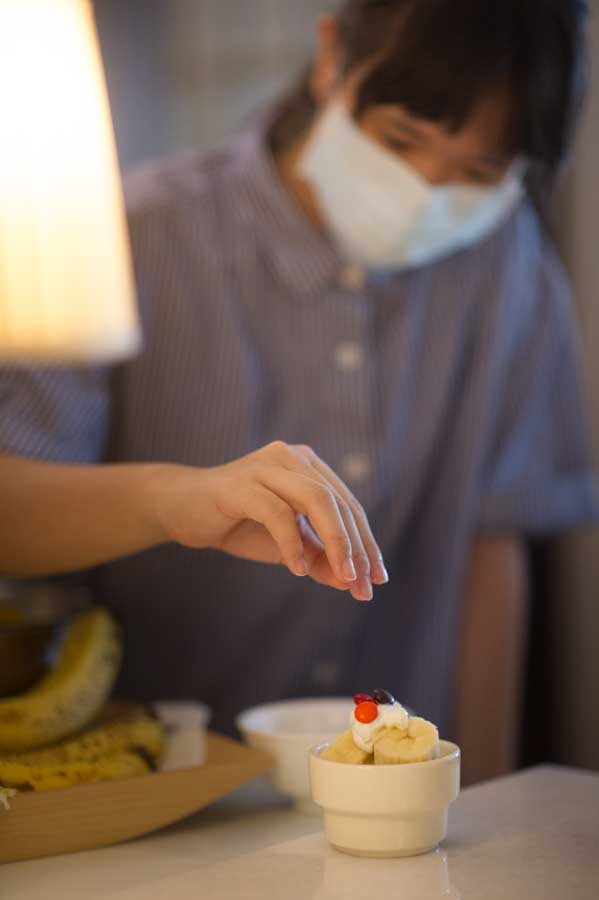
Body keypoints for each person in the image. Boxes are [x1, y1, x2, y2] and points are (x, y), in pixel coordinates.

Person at [0, 0, 597, 783]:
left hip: (395, 782)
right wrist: (176, 499)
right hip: (152, 775)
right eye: (399, 141)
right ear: (329, 58)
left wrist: (483, 798)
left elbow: (492, 545)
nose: (424, 190)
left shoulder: (505, 261)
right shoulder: (129, 234)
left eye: (476, 174)